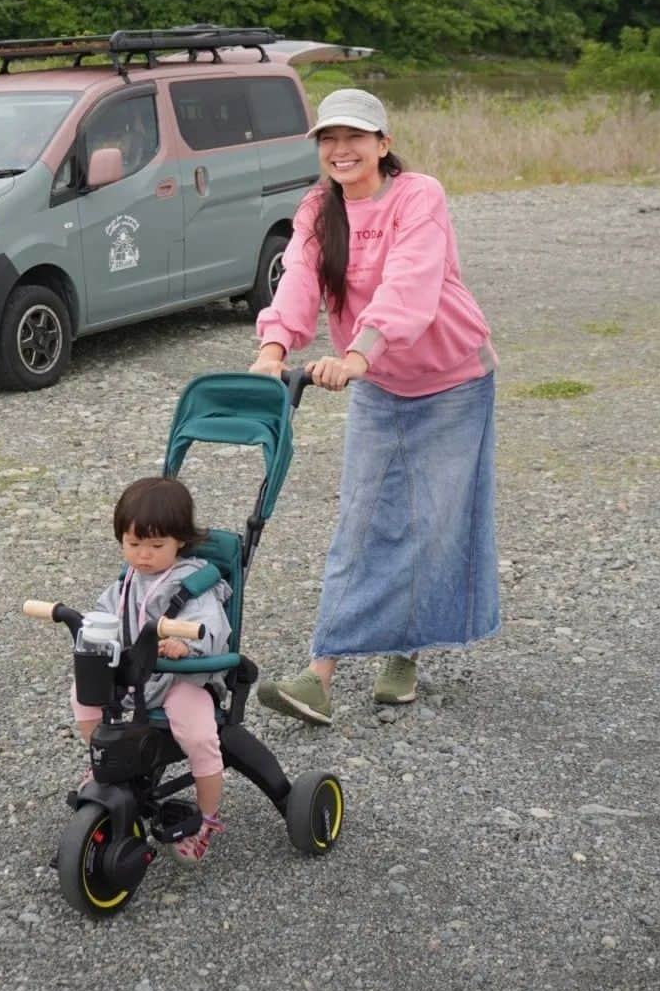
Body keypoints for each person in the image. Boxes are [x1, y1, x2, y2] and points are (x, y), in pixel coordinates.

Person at [249, 88, 498, 724]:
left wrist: (358, 354)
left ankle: (403, 655)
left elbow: (409, 282)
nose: (341, 150)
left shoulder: (419, 195)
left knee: (430, 523)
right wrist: (274, 347)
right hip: (379, 385)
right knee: (361, 521)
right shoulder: (316, 208)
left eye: (354, 138)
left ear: (382, 144)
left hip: (452, 380)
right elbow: (299, 279)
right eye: (328, 139)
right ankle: (318, 674)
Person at [71, 476, 232, 863]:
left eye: (157, 546)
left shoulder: (193, 584)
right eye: (133, 544)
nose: (144, 555)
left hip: (182, 676)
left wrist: (186, 644)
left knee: (198, 735)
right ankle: (108, 765)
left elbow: (214, 628)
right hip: (137, 673)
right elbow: (104, 615)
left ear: (181, 541)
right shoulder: (127, 582)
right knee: (84, 693)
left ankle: (207, 817)